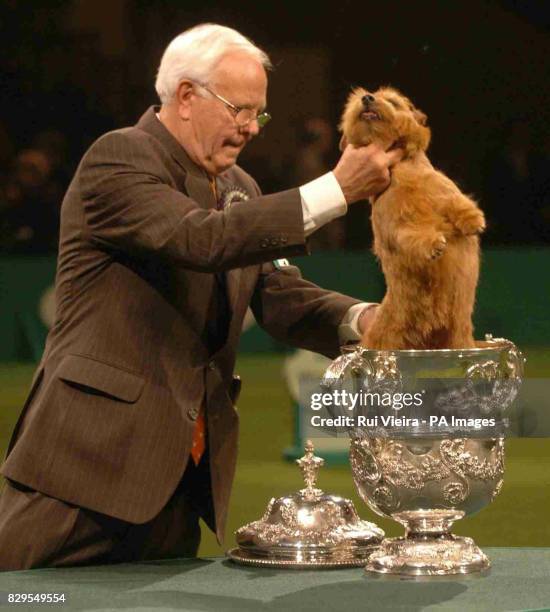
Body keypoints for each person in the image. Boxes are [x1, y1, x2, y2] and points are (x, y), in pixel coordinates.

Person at [0, 23, 402, 570]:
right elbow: (199, 238)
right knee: (26, 599)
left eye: (257, 114)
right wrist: (335, 190)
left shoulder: (242, 187)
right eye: (239, 109)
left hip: (178, 482)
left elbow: (279, 296)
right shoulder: (119, 157)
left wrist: (369, 319)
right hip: (82, 468)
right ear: (186, 97)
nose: (251, 127)